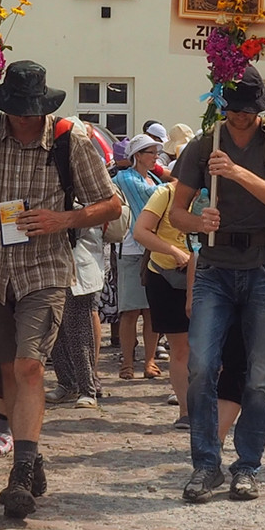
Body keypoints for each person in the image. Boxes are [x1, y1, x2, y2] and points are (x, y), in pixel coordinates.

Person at [0, 60, 119, 519]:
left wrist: (63, 219)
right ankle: (31, 451)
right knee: (2, 373)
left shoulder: (70, 139)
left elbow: (111, 205)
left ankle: (20, 474)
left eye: (30, 110)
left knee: (30, 367)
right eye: (15, 110)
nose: (23, 119)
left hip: (45, 268)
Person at [169, 64, 265, 503]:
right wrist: (198, 220)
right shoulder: (203, 143)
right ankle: (205, 464)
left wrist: (236, 173)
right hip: (214, 267)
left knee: (261, 377)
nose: (241, 117)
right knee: (202, 367)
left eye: (248, 110)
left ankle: (247, 466)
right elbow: (176, 214)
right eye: (233, 109)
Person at [134, 181, 195, 428]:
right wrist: (175, 252)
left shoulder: (215, 190)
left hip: (207, 275)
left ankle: (211, 404)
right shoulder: (166, 193)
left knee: (214, 347)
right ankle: (186, 410)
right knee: (180, 348)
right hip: (166, 277)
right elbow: (141, 231)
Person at [113, 134, 165, 380]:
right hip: (132, 249)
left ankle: (149, 360)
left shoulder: (153, 178)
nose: (156, 157)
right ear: (138, 155)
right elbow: (153, 198)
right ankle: (126, 362)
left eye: (156, 152)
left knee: (152, 310)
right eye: (151, 152)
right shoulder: (126, 178)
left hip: (153, 248)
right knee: (131, 310)